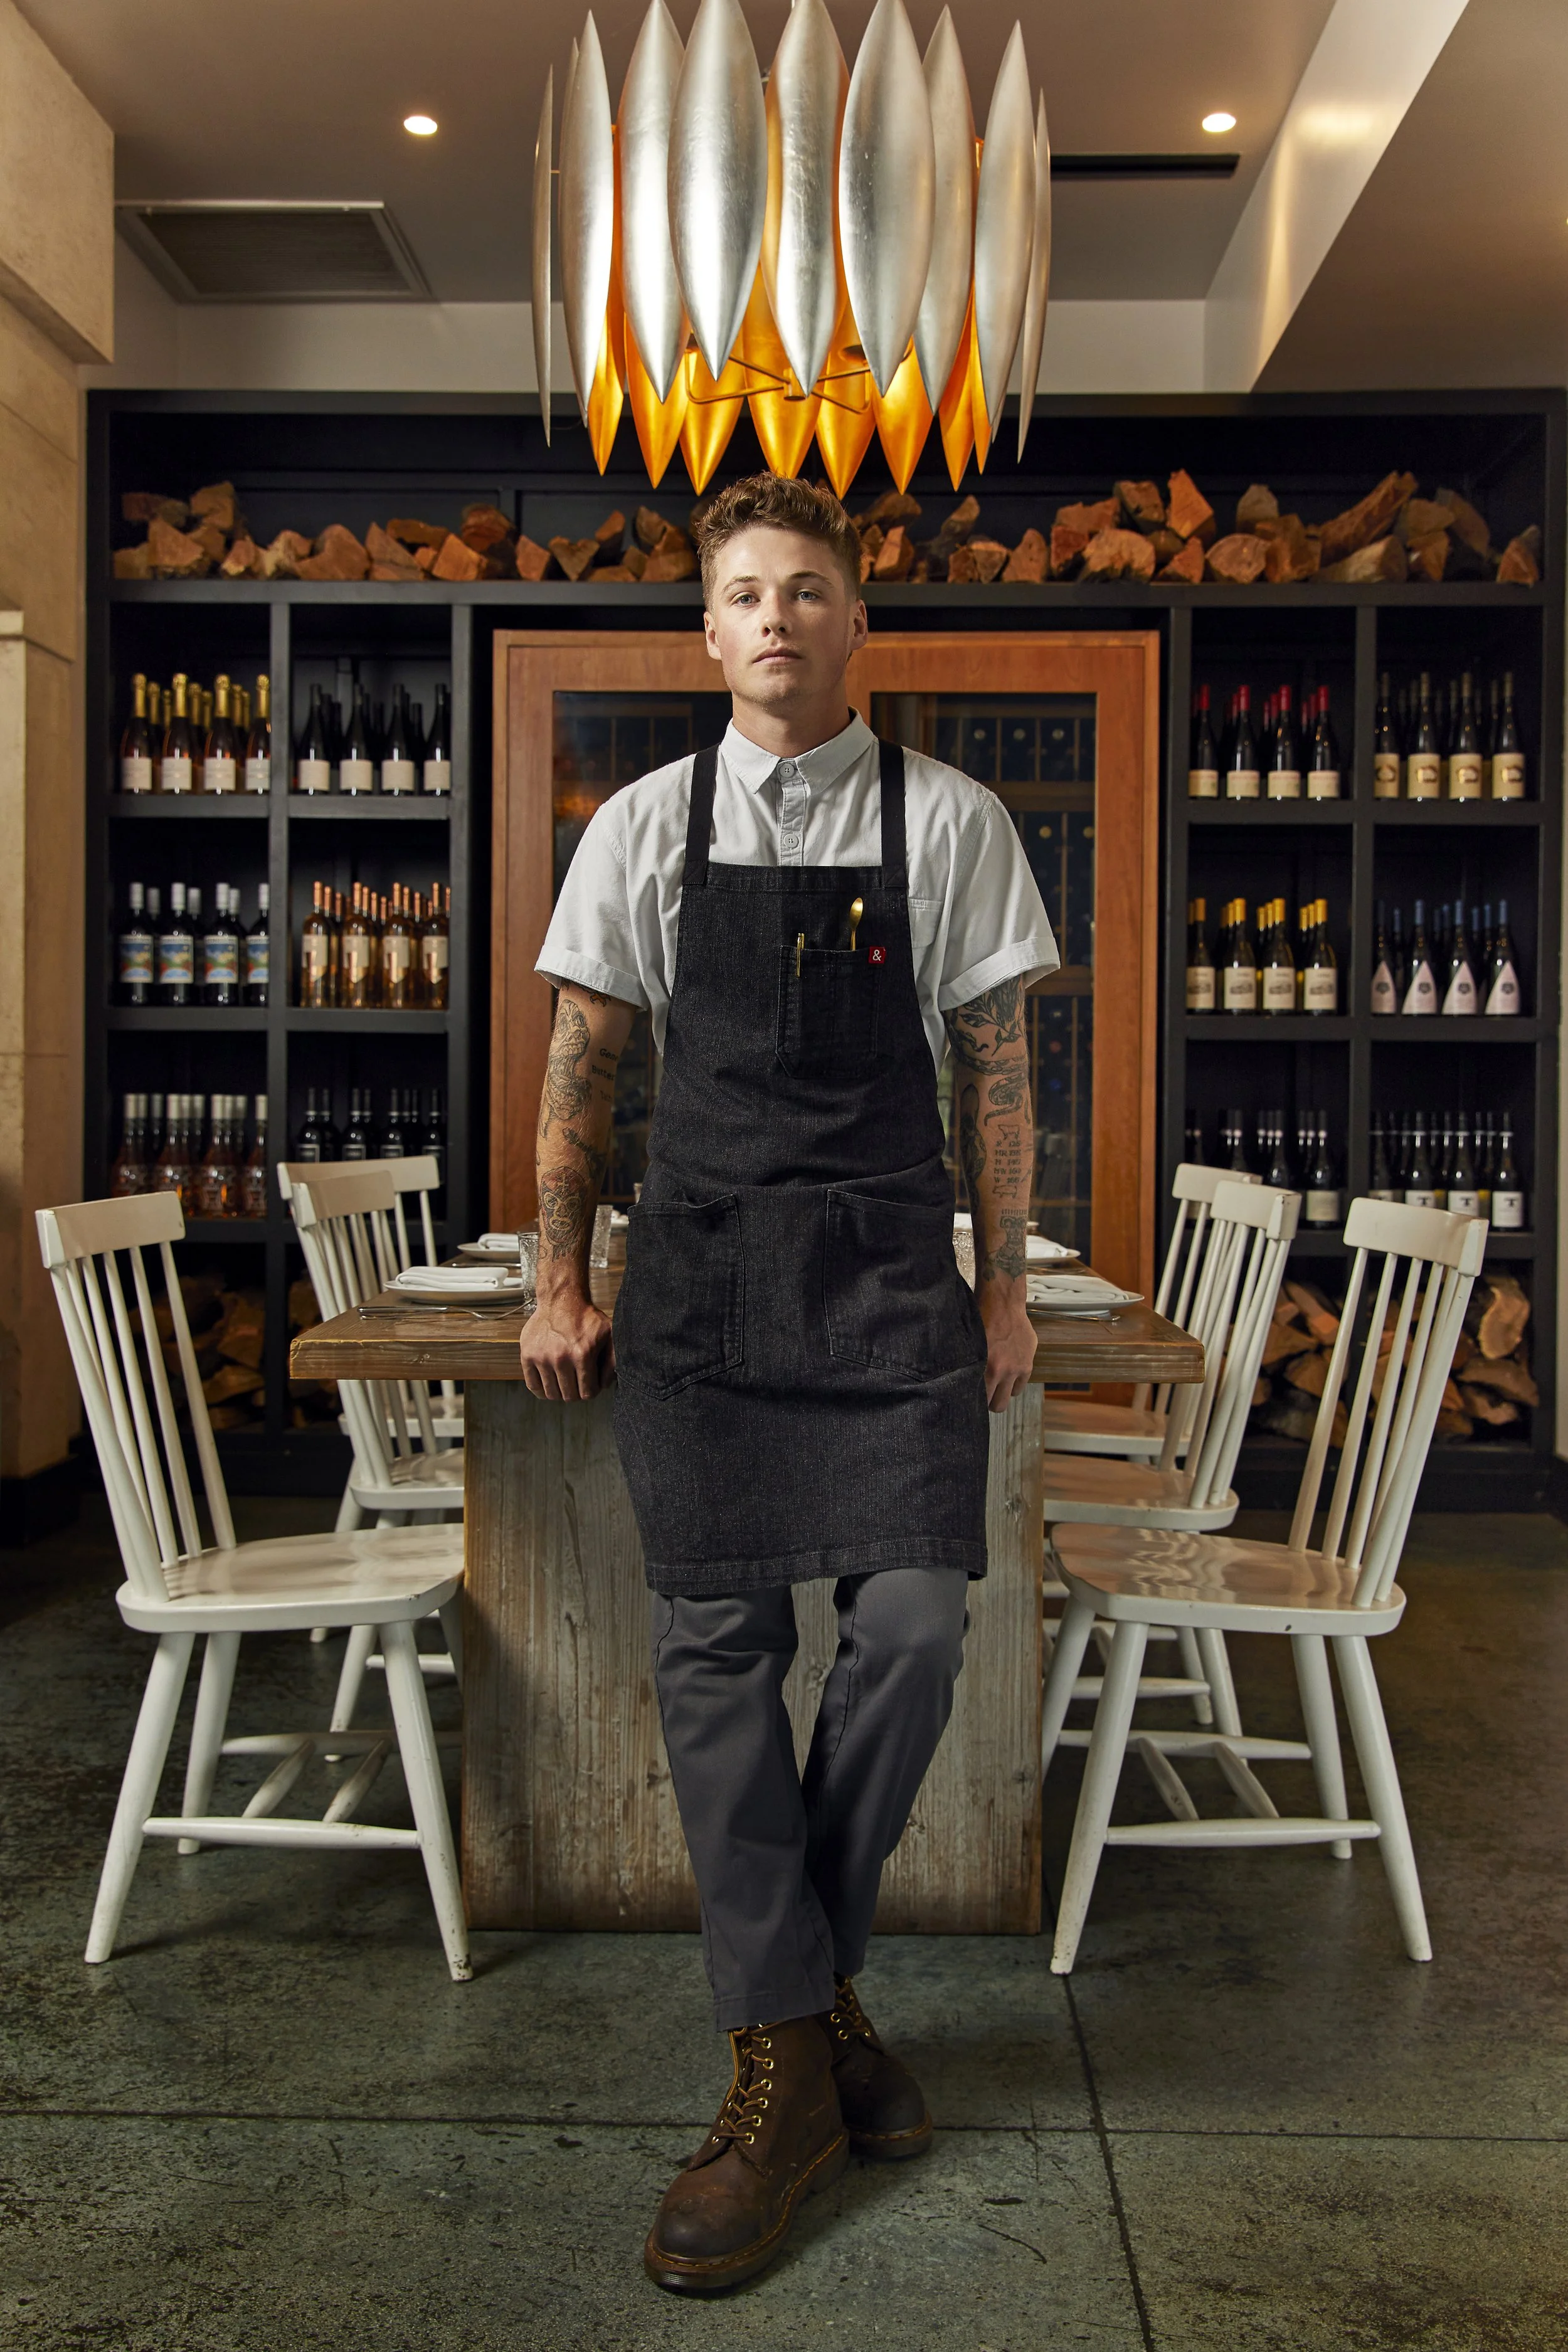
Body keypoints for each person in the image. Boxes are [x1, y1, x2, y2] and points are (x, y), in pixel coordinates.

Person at [522, 474, 1057, 2294]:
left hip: (895, 1275)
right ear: (707, 630)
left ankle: (798, 1995)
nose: (772, 617)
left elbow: (995, 1065)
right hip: (702, 1288)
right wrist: (553, 1271)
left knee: (913, 1622)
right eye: (741, 591)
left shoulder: (953, 820)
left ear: (852, 621)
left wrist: (1003, 1288)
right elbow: (582, 1061)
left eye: (805, 589)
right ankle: (788, 2052)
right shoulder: (641, 824)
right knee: (714, 1652)